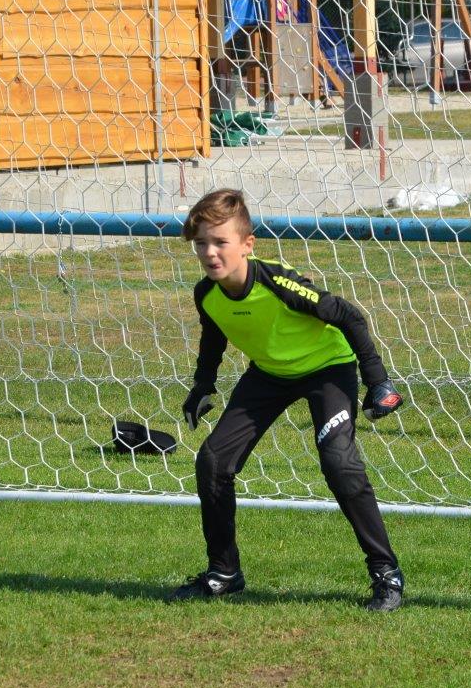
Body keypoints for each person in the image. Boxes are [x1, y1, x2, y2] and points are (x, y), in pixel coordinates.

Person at [169, 188, 406, 612]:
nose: (209, 252)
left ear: (247, 244)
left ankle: (386, 573)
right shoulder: (207, 294)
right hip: (270, 375)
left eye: (220, 242)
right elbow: (214, 336)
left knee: (339, 462)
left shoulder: (278, 284)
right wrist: (203, 385)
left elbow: (349, 315)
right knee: (213, 462)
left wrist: (378, 382)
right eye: (201, 243)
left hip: (328, 368)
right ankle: (224, 573)